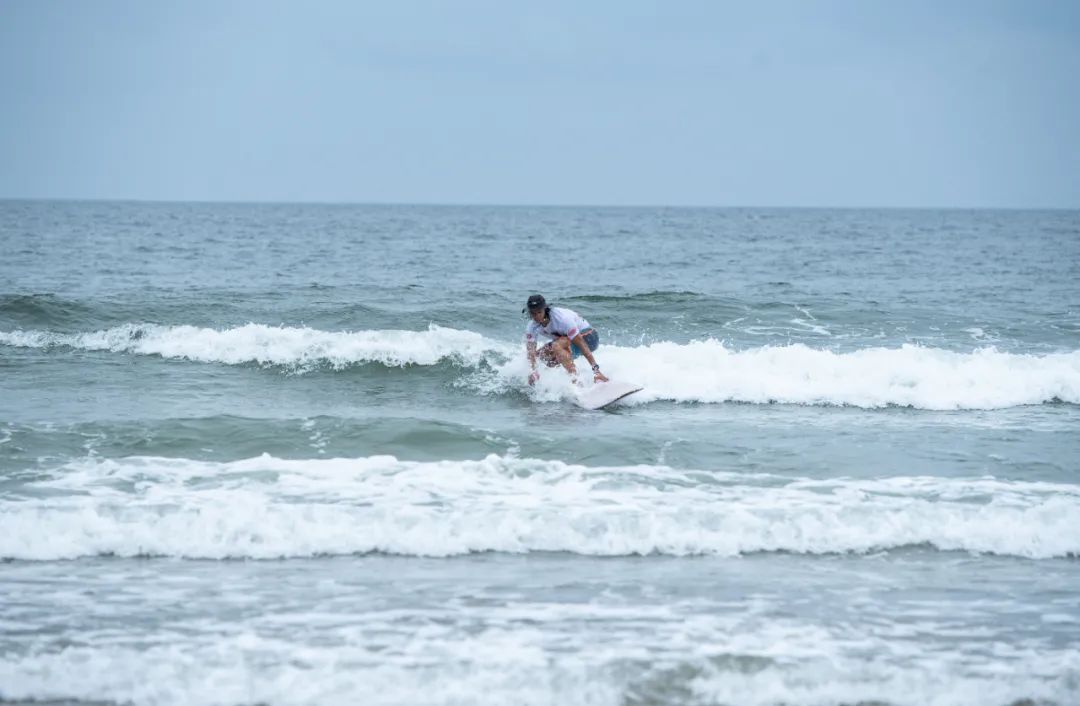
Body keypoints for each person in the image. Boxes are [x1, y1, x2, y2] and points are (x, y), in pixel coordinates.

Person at [523, 294, 609, 385]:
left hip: (589, 338)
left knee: (556, 346)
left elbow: (581, 344)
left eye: (539, 312)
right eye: (533, 313)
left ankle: (576, 382)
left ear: (545, 309)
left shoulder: (562, 319)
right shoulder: (531, 327)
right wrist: (533, 371)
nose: (537, 316)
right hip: (567, 341)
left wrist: (596, 371)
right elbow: (531, 353)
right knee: (541, 356)